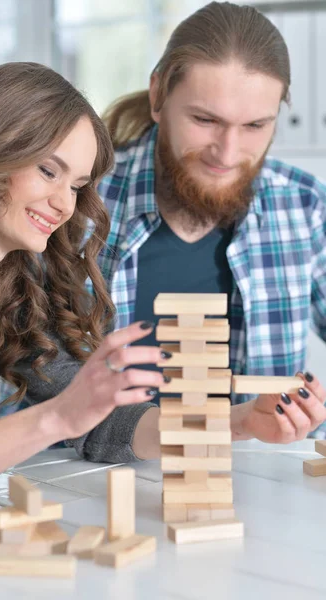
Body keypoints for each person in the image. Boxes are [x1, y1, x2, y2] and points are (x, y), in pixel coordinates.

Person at [0, 62, 172, 508]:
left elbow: (96, 418)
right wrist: (57, 417)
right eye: (47, 170)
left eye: (77, 185)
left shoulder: (11, 284)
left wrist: (227, 426)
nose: (63, 205)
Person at [95, 1, 326, 441]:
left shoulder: (305, 205)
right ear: (159, 94)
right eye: (205, 120)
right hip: (88, 488)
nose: (227, 153)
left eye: (256, 125)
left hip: (261, 492)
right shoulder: (80, 205)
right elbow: (36, 384)